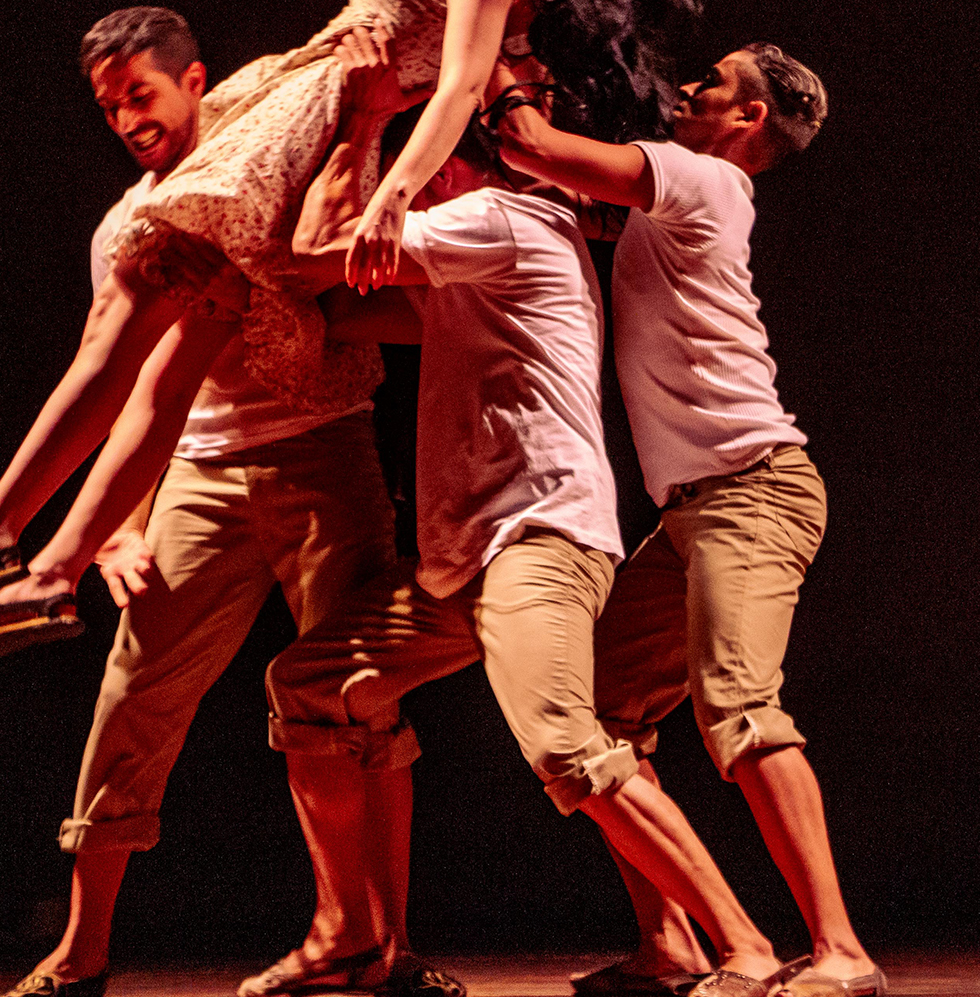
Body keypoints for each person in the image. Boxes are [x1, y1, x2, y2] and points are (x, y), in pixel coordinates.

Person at [0, 0, 683, 659]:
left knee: (128, 310)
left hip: (304, 122)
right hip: (298, 107)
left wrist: (394, 196)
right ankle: (49, 568)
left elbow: (459, 90)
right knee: (181, 342)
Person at [0, 9, 452, 997]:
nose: (125, 119)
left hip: (325, 448)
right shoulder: (127, 225)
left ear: (195, 80)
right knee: (134, 699)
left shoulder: (273, 154)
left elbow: (341, 247)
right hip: (197, 471)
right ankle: (80, 949)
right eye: (107, 106)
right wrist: (121, 529)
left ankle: (382, 949)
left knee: (359, 699)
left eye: (139, 95)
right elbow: (131, 391)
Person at [243, 83, 795, 997]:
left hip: (536, 540)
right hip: (468, 556)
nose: (408, 193)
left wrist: (363, 129)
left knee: (566, 747)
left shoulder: (503, 218)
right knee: (312, 683)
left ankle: (747, 945)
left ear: (460, 164)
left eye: (423, 175)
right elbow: (345, 313)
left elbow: (314, 261)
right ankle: (355, 943)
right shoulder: (487, 256)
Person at [496, 46, 885, 997]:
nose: (688, 91)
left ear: (747, 118)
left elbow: (532, 145)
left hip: (753, 489)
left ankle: (841, 951)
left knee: (741, 709)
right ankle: (672, 942)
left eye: (711, 82)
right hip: (694, 512)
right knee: (607, 709)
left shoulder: (704, 177)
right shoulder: (674, 195)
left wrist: (503, 60)